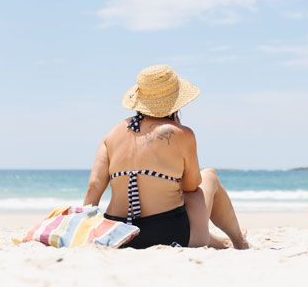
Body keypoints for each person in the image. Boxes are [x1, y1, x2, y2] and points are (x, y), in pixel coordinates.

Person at [83, 64, 248, 249]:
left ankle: (222, 242)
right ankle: (240, 242)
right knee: (208, 176)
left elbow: (94, 186)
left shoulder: (112, 134)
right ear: (175, 103)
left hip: (118, 235)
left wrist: (86, 226)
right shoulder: (182, 134)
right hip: (169, 234)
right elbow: (191, 186)